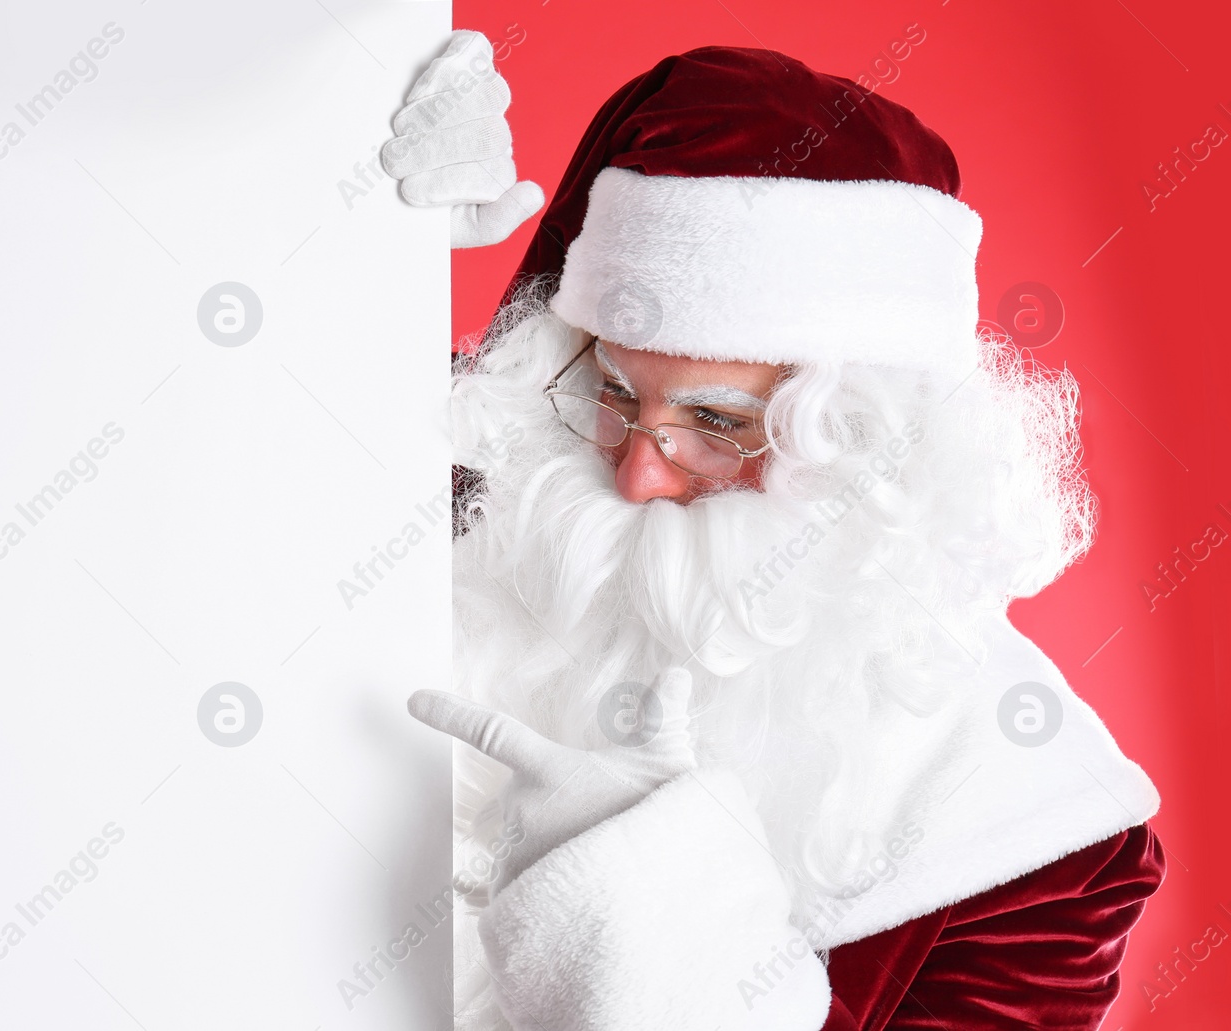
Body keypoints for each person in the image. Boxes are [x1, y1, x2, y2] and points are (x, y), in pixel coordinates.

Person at [381, 31, 1165, 1031]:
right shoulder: (502, 533)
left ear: (867, 449)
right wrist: (355, 241)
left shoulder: (1038, 835)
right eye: (613, 394)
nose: (633, 473)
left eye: (715, 423)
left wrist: (653, 921)